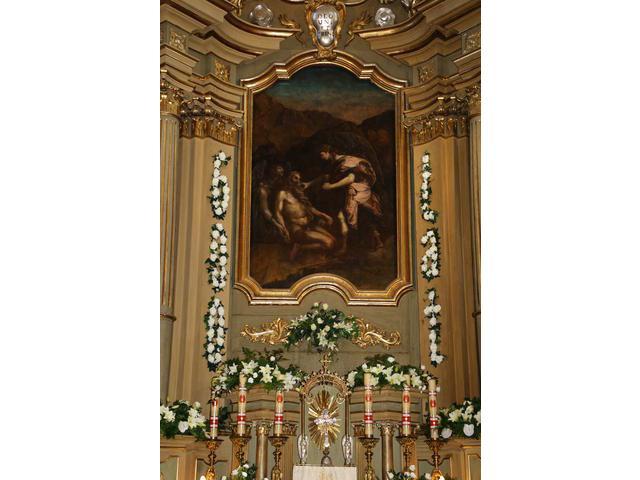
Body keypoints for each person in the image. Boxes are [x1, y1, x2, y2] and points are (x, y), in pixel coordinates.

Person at [318, 144, 383, 252]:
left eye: (322, 154)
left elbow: (350, 178)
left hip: (358, 190)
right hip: (354, 190)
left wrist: (331, 186)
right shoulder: (336, 163)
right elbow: (327, 177)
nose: (321, 157)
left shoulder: (345, 163)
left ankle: (372, 243)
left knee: (354, 213)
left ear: (328, 152)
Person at [273, 171, 336, 261]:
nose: (297, 181)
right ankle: (301, 248)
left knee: (333, 240)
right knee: (329, 243)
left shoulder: (299, 193)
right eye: (295, 178)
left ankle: (300, 246)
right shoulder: (282, 194)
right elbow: (278, 213)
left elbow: (311, 209)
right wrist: (284, 229)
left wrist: (324, 215)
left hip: (308, 225)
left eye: (299, 179)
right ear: (289, 178)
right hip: (296, 228)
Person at [255, 163, 288, 241]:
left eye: (282, 170)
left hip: (273, 218)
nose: (282, 171)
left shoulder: (275, 186)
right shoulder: (262, 189)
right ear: (271, 172)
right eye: (279, 168)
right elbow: (265, 211)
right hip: (263, 221)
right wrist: (278, 225)